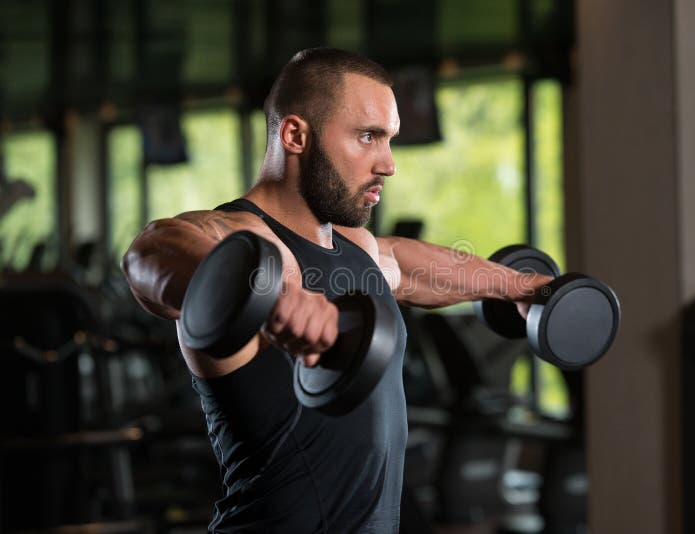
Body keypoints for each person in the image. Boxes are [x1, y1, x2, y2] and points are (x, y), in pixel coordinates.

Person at [122, 47, 550, 533]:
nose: (388, 164)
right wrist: (272, 297)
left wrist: (515, 285)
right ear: (295, 134)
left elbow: (406, 267)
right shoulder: (250, 239)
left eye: (388, 140)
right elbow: (150, 252)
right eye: (368, 137)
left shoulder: (355, 246)